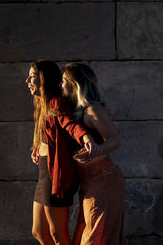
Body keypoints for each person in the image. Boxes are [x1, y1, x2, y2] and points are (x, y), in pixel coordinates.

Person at [25, 60, 97, 245]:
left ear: (44, 79)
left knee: (57, 233)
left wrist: (86, 138)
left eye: (32, 76)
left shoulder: (57, 103)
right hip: (44, 172)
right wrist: (38, 148)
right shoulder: (41, 104)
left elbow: (70, 124)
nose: (27, 80)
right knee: (38, 231)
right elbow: (49, 134)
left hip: (55, 174)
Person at [60, 63, 125, 245]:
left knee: (95, 236)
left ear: (75, 83)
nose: (60, 85)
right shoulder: (73, 112)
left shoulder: (93, 110)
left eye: (64, 80)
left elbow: (115, 140)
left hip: (104, 180)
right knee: (87, 232)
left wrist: (98, 149)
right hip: (88, 183)